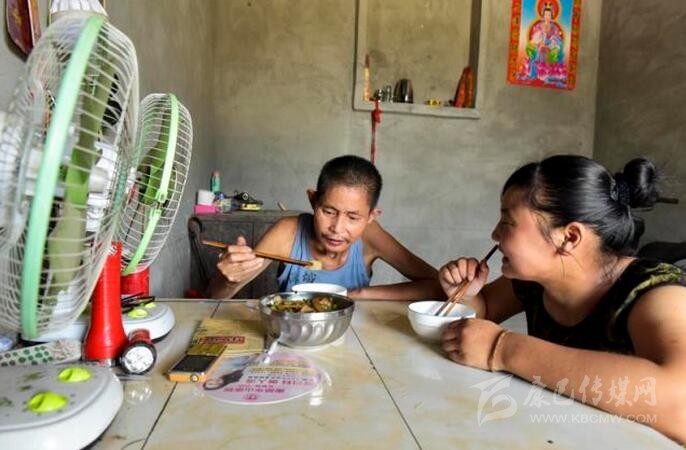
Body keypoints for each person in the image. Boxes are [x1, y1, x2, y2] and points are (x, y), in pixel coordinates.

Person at [438, 155, 686, 443]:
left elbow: (679, 402)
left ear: (569, 237)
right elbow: (486, 310)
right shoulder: (533, 281)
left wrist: (503, 348)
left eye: (507, 221)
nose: (495, 234)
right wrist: (467, 295)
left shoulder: (656, 292)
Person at [210, 155, 443, 301]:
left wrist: (360, 294)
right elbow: (212, 299)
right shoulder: (287, 232)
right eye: (329, 212)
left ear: (371, 217)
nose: (337, 228)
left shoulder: (370, 237)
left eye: (353, 217)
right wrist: (229, 280)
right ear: (313, 201)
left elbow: (438, 286)